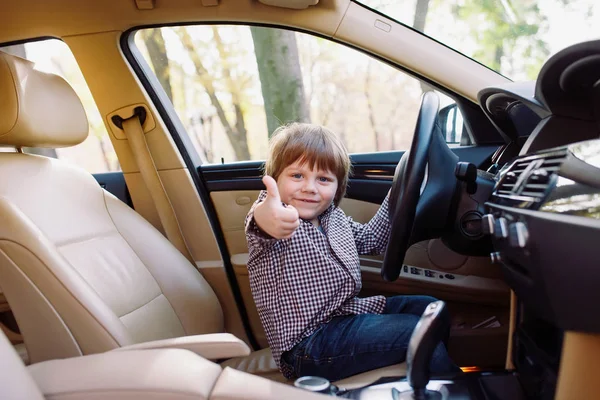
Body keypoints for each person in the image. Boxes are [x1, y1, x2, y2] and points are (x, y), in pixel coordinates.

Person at [245, 122, 458, 382]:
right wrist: (270, 215)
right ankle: (452, 389)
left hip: (346, 316)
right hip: (307, 346)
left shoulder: (333, 219)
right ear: (276, 179)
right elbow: (261, 221)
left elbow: (372, 239)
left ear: (337, 186)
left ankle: (429, 379)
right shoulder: (275, 222)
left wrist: (402, 190)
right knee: (420, 330)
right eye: (297, 176)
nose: (310, 187)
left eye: (323, 179)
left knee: (430, 309)